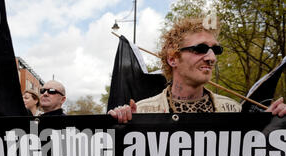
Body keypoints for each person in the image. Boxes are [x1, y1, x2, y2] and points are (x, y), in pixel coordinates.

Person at [108, 17, 286, 122]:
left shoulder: (233, 110)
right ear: (172, 58)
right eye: (200, 49)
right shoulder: (141, 112)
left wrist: (268, 125)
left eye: (215, 50)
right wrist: (118, 124)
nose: (211, 58)